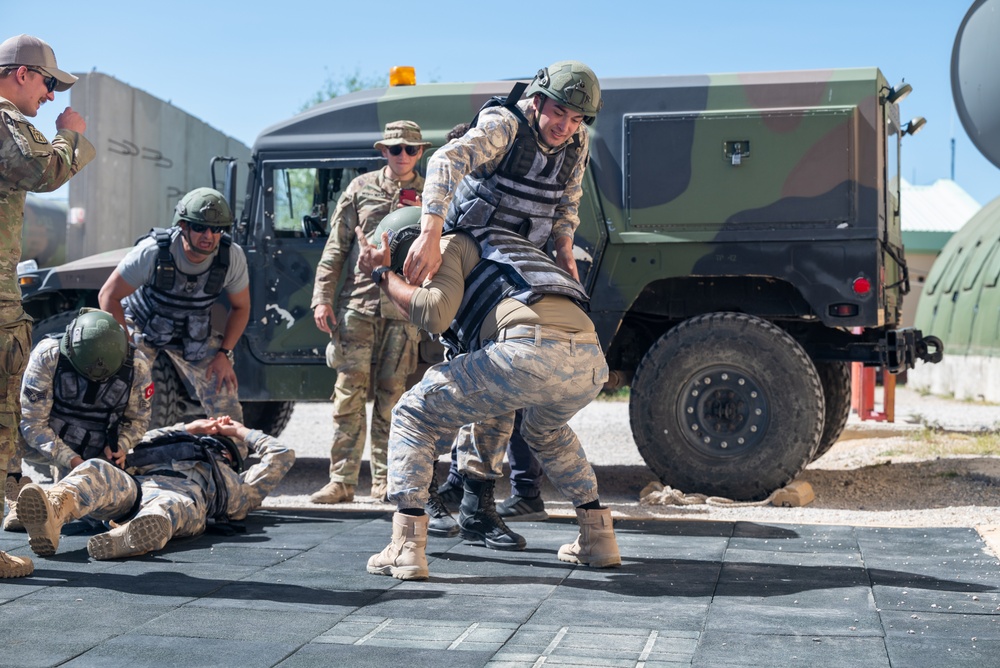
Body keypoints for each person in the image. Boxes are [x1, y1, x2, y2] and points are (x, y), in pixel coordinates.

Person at [359, 206, 620, 580]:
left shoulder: (448, 242)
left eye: (407, 270)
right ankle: (598, 538)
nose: (411, 280)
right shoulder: (501, 245)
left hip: (528, 349)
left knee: (411, 413)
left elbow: (434, 313)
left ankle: (405, 547)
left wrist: (382, 275)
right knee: (546, 433)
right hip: (589, 358)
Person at [410, 62, 603, 531]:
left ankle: (468, 489)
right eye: (559, 112)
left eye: (576, 119)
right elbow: (444, 161)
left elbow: (566, 204)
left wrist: (563, 251)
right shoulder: (505, 126)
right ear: (537, 100)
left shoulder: (575, 143)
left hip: (520, 261)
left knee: (505, 380)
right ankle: (441, 493)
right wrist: (431, 231)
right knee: (467, 374)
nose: (565, 126)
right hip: (471, 251)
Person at [0, 33, 95, 578]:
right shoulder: (6, 119)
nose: (53, 97)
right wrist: (71, 139)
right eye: (48, 83)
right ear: (20, 73)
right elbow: (43, 171)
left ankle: (17, 503)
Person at [309, 121, 430, 505]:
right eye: (396, 149)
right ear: (383, 151)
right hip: (358, 308)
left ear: (421, 152)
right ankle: (342, 480)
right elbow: (336, 248)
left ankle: (384, 481)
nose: (403, 156)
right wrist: (322, 298)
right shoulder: (361, 189)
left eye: (411, 150)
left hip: (403, 308)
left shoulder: (432, 195)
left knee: (392, 400)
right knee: (348, 398)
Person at [17, 415, 294, 560]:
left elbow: (282, 455)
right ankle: (55, 510)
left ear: (230, 456)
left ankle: (129, 537)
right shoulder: (165, 445)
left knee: (166, 507)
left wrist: (238, 431)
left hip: (185, 496)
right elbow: (141, 438)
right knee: (97, 470)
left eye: (218, 441)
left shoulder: (235, 484)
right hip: (137, 486)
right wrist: (192, 427)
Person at [98, 187, 250, 424]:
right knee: (120, 387)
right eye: (199, 227)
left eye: (216, 229)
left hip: (193, 333)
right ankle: (109, 453)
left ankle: (230, 456)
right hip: (143, 325)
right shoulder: (154, 251)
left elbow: (241, 307)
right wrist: (125, 351)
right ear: (183, 226)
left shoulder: (231, 257)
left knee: (224, 394)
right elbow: (108, 295)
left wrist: (224, 353)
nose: (208, 236)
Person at [4, 309, 153, 532]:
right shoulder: (49, 356)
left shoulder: (137, 367)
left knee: (90, 514)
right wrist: (71, 460)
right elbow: (32, 423)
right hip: (48, 442)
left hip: (97, 450)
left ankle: (54, 503)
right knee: (7, 427)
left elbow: (138, 421)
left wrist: (121, 446)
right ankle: (17, 497)